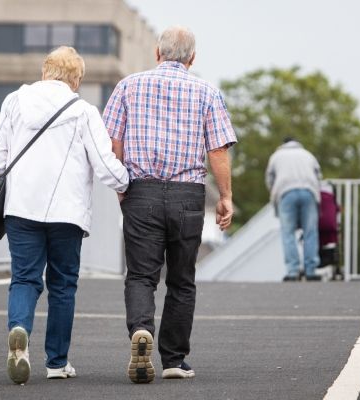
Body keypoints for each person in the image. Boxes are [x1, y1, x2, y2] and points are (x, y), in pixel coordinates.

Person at [0, 46, 129, 384]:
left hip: (21, 208)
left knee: (24, 278)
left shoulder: (15, 101)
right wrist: (126, 183)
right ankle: (57, 363)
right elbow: (106, 166)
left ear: (45, 71)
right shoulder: (83, 111)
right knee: (62, 284)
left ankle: (19, 330)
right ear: (76, 80)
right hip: (68, 213)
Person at [103, 26, 236, 383]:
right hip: (187, 195)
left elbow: (113, 140)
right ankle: (174, 359)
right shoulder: (207, 91)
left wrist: (122, 186)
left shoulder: (128, 86)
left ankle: (140, 331)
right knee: (181, 280)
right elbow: (218, 150)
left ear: (157, 53)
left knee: (142, 276)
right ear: (192, 58)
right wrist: (225, 196)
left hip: (140, 191)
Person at [265, 137, 322, 282]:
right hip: (309, 192)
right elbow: (318, 176)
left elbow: (270, 179)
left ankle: (292, 271)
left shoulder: (276, 156)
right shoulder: (308, 155)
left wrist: (274, 195)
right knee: (310, 232)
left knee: (288, 233)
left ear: (283, 144)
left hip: (286, 193)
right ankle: (311, 271)